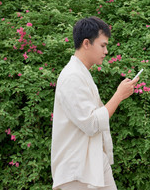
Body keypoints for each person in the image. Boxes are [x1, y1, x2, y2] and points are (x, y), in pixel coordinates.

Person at [51, 16, 139, 190]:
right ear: (86, 43)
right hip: (77, 168)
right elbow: (91, 124)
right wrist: (119, 95)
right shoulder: (72, 77)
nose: (106, 51)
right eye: (103, 45)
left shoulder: (81, 73)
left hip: (93, 161)